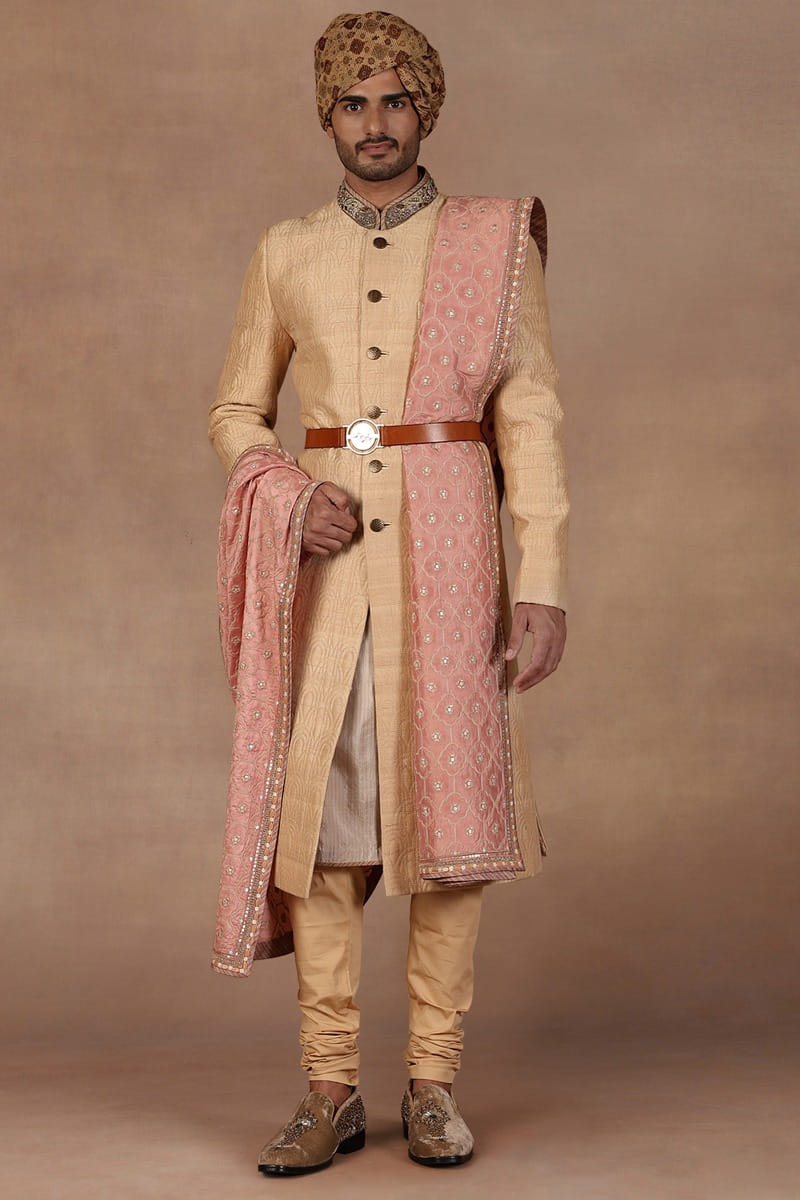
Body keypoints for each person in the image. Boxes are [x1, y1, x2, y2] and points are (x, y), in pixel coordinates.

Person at [207, 10, 568, 1176]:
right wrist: (281, 488)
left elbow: (528, 418)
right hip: (326, 576)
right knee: (320, 829)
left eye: (394, 100)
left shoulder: (491, 243)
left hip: (453, 561)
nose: (374, 123)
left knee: (450, 834)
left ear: (425, 110)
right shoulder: (286, 250)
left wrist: (542, 579)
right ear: (327, 115)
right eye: (353, 103)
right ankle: (328, 1091)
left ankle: (432, 1087)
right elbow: (233, 410)